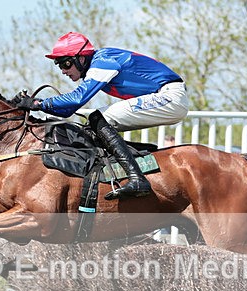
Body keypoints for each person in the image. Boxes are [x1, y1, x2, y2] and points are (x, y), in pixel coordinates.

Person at [15, 32, 189, 200]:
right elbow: (68, 110)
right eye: (59, 65)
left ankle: (137, 178)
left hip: (170, 96)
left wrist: (38, 104)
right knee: (94, 124)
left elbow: (77, 98)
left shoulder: (103, 60)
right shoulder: (97, 65)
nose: (63, 70)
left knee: (99, 119)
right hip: (164, 96)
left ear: (81, 58)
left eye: (65, 63)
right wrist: (36, 106)